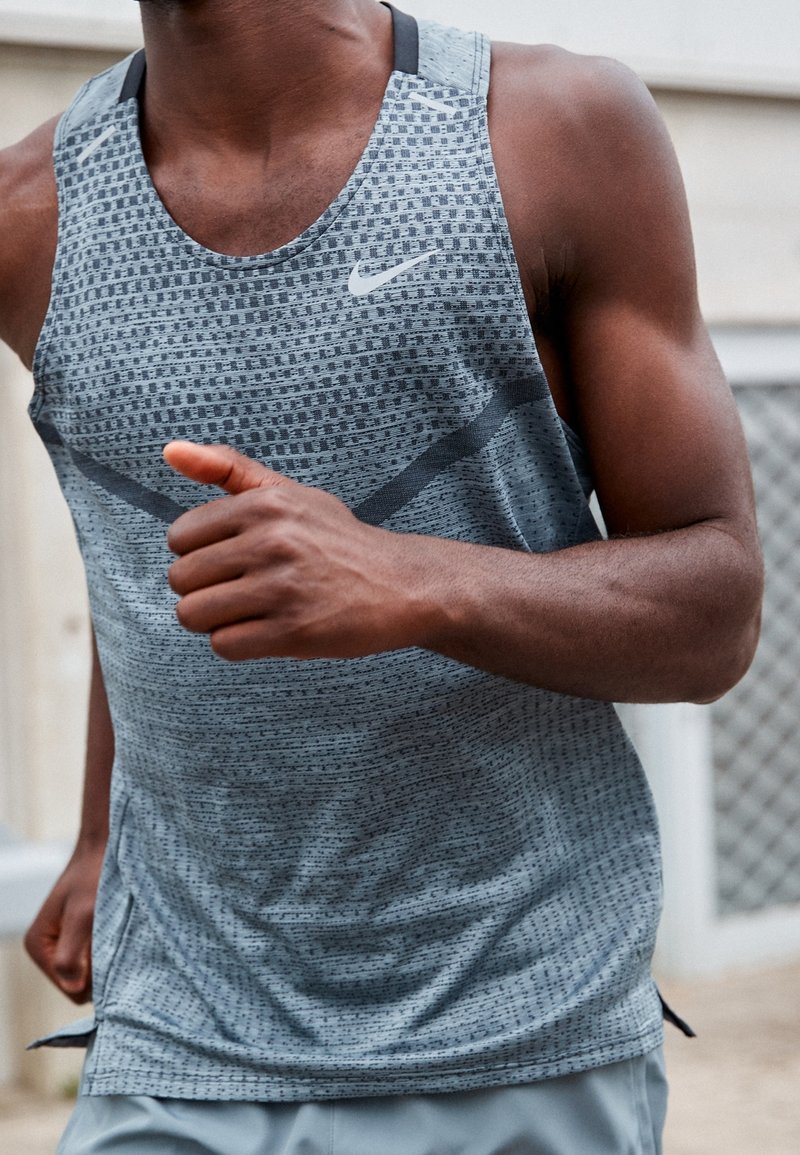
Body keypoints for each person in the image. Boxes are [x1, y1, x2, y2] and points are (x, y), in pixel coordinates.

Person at [1, 1, 762, 1151]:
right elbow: (167, 556)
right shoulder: (29, 216)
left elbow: (715, 607)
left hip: (510, 1024)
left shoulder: (547, 131)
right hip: (176, 1034)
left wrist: (410, 579)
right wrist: (101, 836)